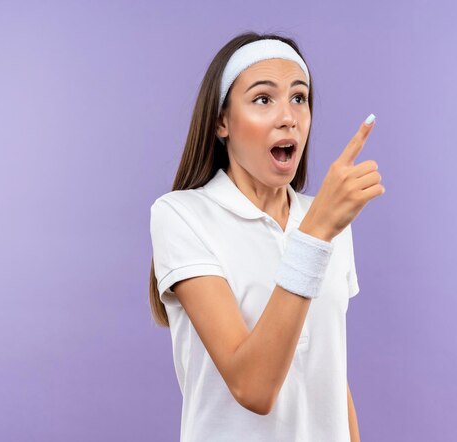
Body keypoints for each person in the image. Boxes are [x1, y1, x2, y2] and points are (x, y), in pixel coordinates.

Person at [148, 31, 384, 442]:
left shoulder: (324, 219)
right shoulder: (181, 216)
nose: (288, 116)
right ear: (222, 121)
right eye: (263, 99)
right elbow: (253, 388)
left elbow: (329, 373)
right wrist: (316, 233)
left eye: (299, 97)